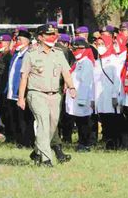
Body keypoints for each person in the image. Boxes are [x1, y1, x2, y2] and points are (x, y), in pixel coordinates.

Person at [18, 23, 77, 167]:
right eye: (48, 35)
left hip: (55, 95)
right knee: (43, 124)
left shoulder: (58, 53)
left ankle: (37, 151)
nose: (52, 37)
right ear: (40, 37)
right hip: (36, 94)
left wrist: (71, 87)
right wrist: (21, 98)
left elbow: (66, 72)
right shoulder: (31, 54)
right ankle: (46, 159)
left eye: (53, 34)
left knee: (52, 126)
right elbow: (24, 77)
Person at [65, 37, 95, 152]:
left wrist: (82, 100)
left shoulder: (86, 63)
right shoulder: (78, 63)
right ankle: (82, 143)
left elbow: (86, 83)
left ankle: (85, 144)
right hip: (75, 98)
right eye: (74, 49)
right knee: (79, 121)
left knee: (84, 122)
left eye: (78, 49)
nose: (75, 51)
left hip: (82, 98)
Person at [94, 34, 122, 150]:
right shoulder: (97, 61)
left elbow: (117, 80)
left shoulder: (114, 60)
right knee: (104, 119)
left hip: (111, 95)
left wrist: (115, 95)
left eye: (102, 44)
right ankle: (107, 142)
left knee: (112, 120)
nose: (100, 47)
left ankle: (115, 143)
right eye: (98, 44)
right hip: (100, 97)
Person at [7, 30, 34, 148]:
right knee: (15, 119)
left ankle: (27, 142)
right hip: (12, 91)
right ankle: (18, 140)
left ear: (27, 41)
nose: (17, 41)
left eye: (20, 39)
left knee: (25, 119)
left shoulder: (29, 54)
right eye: (17, 39)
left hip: (22, 92)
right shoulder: (16, 54)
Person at [0, 34, 13, 142]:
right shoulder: (0, 55)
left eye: (3, 42)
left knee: (8, 113)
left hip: (7, 88)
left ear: (8, 43)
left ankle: (11, 135)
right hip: (1, 87)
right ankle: (7, 133)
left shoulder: (9, 56)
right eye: (0, 42)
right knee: (2, 112)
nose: (0, 44)